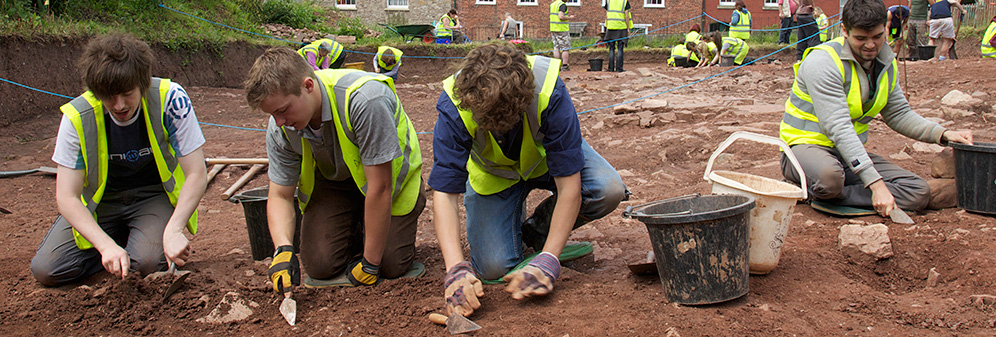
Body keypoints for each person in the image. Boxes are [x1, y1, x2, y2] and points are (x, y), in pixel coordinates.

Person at [429, 43, 627, 317]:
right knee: (494, 268)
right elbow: (445, 193)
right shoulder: (455, 104)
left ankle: (538, 230)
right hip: (494, 175)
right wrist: (455, 269)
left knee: (608, 189)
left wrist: (548, 260)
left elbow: (570, 187)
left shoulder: (548, 90)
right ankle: (515, 231)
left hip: (545, 160)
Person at [242, 47, 424, 294]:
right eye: (272, 114)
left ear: (308, 86)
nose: (279, 122)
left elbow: (380, 188)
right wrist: (283, 250)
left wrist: (370, 263)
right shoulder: (281, 127)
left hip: (388, 182)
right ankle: (357, 223)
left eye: (283, 110)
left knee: (390, 264)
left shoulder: (365, 100)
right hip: (335, 181)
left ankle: (371, 230)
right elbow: (280, 195)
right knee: (319, 265)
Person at [30, 34, 207, 286]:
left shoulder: (170, 98)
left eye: (126, 93)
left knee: (147, 263)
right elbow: (66, 196)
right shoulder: (77, 117)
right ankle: (122, 241)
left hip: (152, 197)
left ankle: (143, 239)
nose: (119, 105)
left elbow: (196, 173)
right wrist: (104, 246)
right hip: (102, 203)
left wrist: (174, 229)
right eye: (109, 96)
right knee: (48, 269)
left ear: (142, 83)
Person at [779, 0, 973, 218]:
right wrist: (876, 184)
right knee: (829, 178)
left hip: (847, 155)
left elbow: (899, 113)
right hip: (803, 150)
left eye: (877, 37)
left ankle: (827, 197)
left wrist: (943, 134)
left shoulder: (885, 61)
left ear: (886, 28)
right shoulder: (823, 62)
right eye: (861, 38)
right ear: (844, 30)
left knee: (917, 191)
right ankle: (818, 189)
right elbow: (838, 126)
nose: (870, 45)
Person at [604, 0, 632, 72]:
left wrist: (607, 26)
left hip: (611, 27)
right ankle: (619, 68)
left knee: (611, 48)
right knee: (620, 48)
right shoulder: (624, 1)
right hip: (621, 27)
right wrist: (628, 28)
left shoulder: (609, 1)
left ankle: (611, 68)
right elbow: (626, 16)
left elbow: (606, 14)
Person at [550, 0, 575, 71]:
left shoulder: (553, 4)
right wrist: (570, 18)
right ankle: (565, 65)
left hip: (553, 28)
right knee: (565, 48)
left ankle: (556, 65)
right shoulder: (562, 5)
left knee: (556, 47)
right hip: (561, 29)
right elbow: (561, 16)